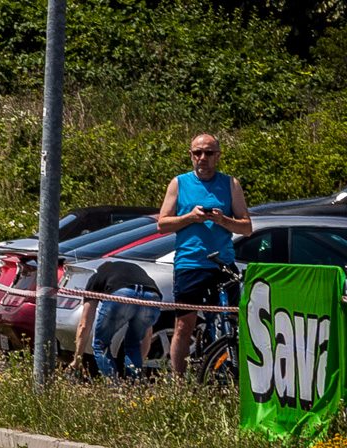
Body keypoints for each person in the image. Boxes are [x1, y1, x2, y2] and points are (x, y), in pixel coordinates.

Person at [156, 133, 252, 376]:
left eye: (208, 153)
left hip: (222, 264)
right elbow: (162, 224)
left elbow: (246, 227)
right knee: (184, 324)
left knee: (231, 321)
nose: (202, 158)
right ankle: (180, 382)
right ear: (191, 155)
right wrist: (191, 217)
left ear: (217, 156)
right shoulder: (179, 183)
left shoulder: (230, 184)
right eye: (197, 153)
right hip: (190, 263)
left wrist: (223, 220)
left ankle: (230, 372)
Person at [87, 256, 163, 380]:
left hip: (122, 294)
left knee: (100, 345)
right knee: (134, 345)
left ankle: (113, 386)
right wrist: (137, 364)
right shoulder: (136, 272)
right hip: (152, 296)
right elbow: (148, 334)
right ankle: (132, 385)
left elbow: (84, 324)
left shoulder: (97, 277)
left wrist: (76, 359)